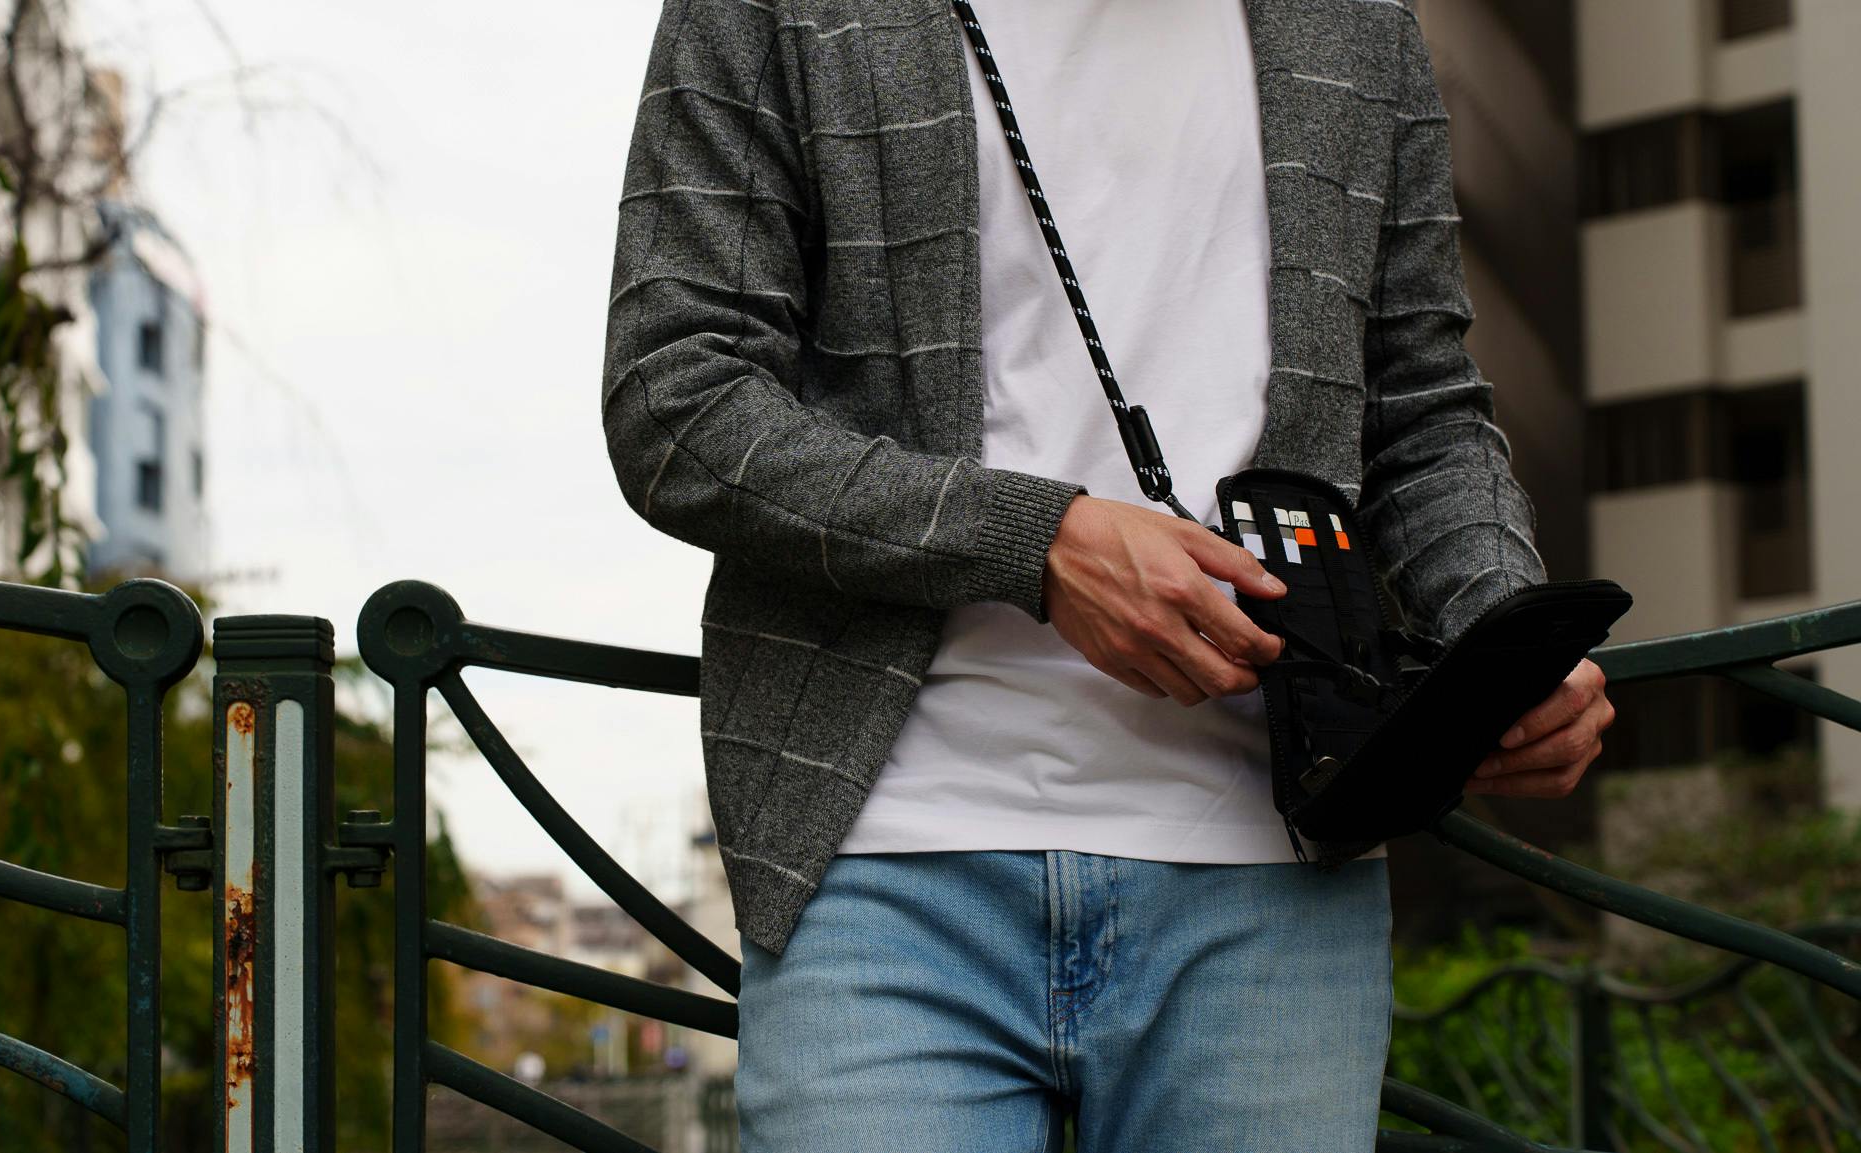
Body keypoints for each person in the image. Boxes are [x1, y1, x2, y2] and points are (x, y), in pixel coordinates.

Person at [600, 0, 1615, 1148]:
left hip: (1273, 876)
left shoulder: (1357, 25)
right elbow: (675, 399)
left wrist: (1500, 635)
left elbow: (1420, 412)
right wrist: (1036, 542)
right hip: (883, 863)